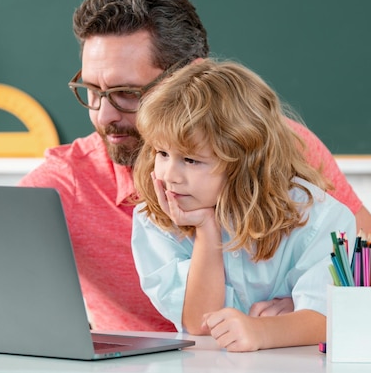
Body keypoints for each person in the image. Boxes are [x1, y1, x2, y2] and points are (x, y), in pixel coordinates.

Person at [18, 0, 371, 332]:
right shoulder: (68, 181)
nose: (103, 115)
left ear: (188, 79)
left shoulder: (279, 149)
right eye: (92, 91)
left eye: (128, 93)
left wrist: (307, 314)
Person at [131, 59, 355, 351]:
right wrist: (206, 230)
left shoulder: (317, 217)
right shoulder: (156, 219)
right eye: (161, 153)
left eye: (190, 160)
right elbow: (199, 324)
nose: (169, 175)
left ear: (246, 161)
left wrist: (262, 331)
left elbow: (328, 318)